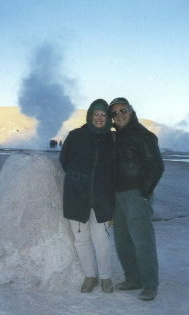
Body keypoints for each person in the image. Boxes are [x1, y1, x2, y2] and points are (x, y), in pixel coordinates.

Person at [108, 97, 164, 301]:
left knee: (142, 241)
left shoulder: (143, 135)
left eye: (123, 110)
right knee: (122, 241)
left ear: (131, 111)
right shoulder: (115, 137)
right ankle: (133, 278)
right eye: (114, 113)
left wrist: (144, 193)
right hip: (118, 195)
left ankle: (150, 284)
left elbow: (156, 166)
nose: (120, 115)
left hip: (136, 195)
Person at [60, 99, 115, 293]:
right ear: (90, 115)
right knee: (81, 239)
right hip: (77, 196)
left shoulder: (112, 139)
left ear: (107, 118)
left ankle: (106, 277)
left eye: (103, 115)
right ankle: (90, 276)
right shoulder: (76, 136)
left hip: (103, 197)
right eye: (96, 114)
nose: (99, 118)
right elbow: (64, 160)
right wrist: (79, 179)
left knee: (103, 239)